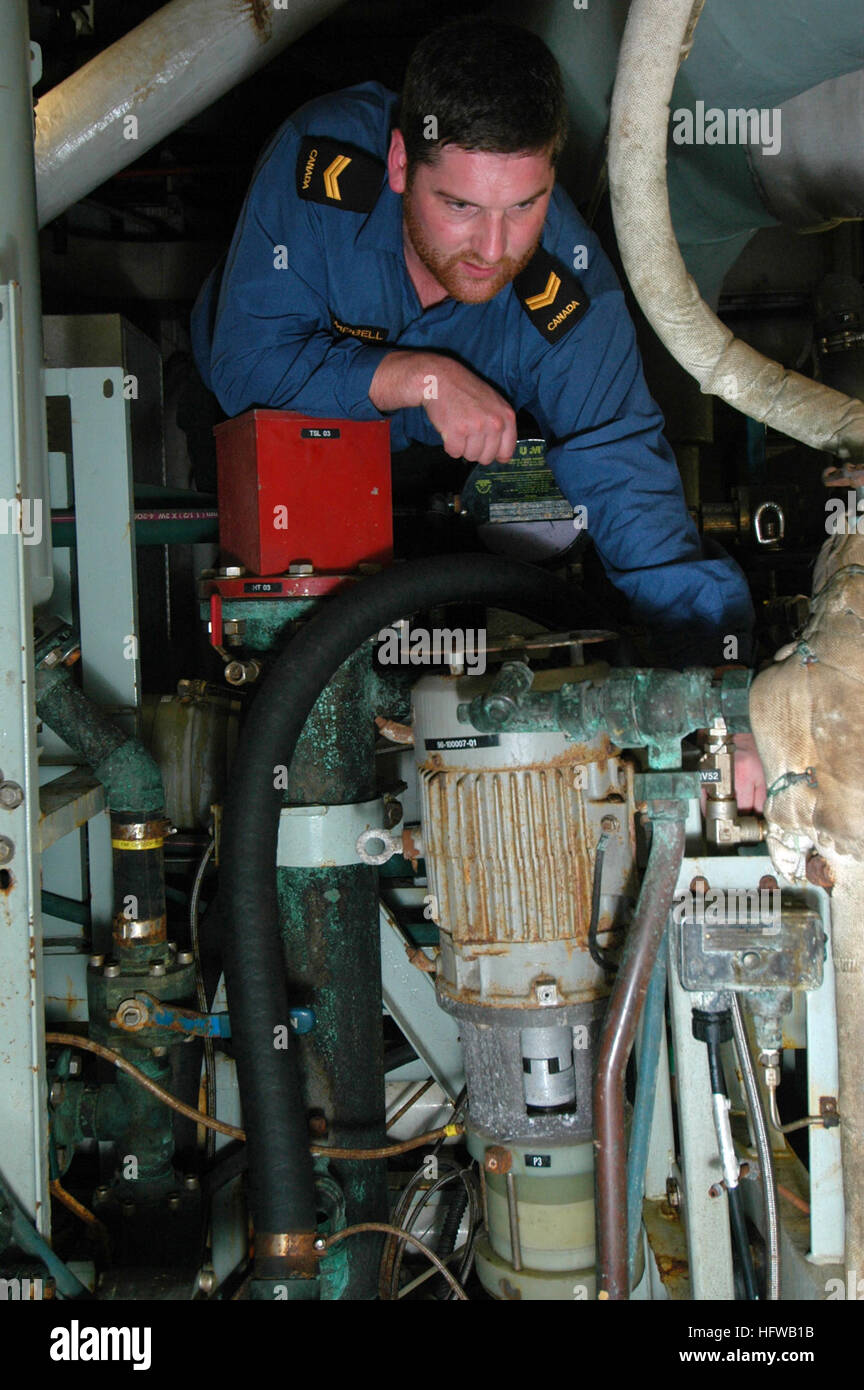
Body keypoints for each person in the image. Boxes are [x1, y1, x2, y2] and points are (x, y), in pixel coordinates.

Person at [191, 18, 763, 799]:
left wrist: (726, 685)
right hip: (258, 415)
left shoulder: (566, 294)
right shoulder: (319, 172)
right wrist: (415, 376)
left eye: (523, 206)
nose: (493, 248)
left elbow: (626, 472)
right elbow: (243, 369)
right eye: (459, 206)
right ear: (400, 164)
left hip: (415, 459)